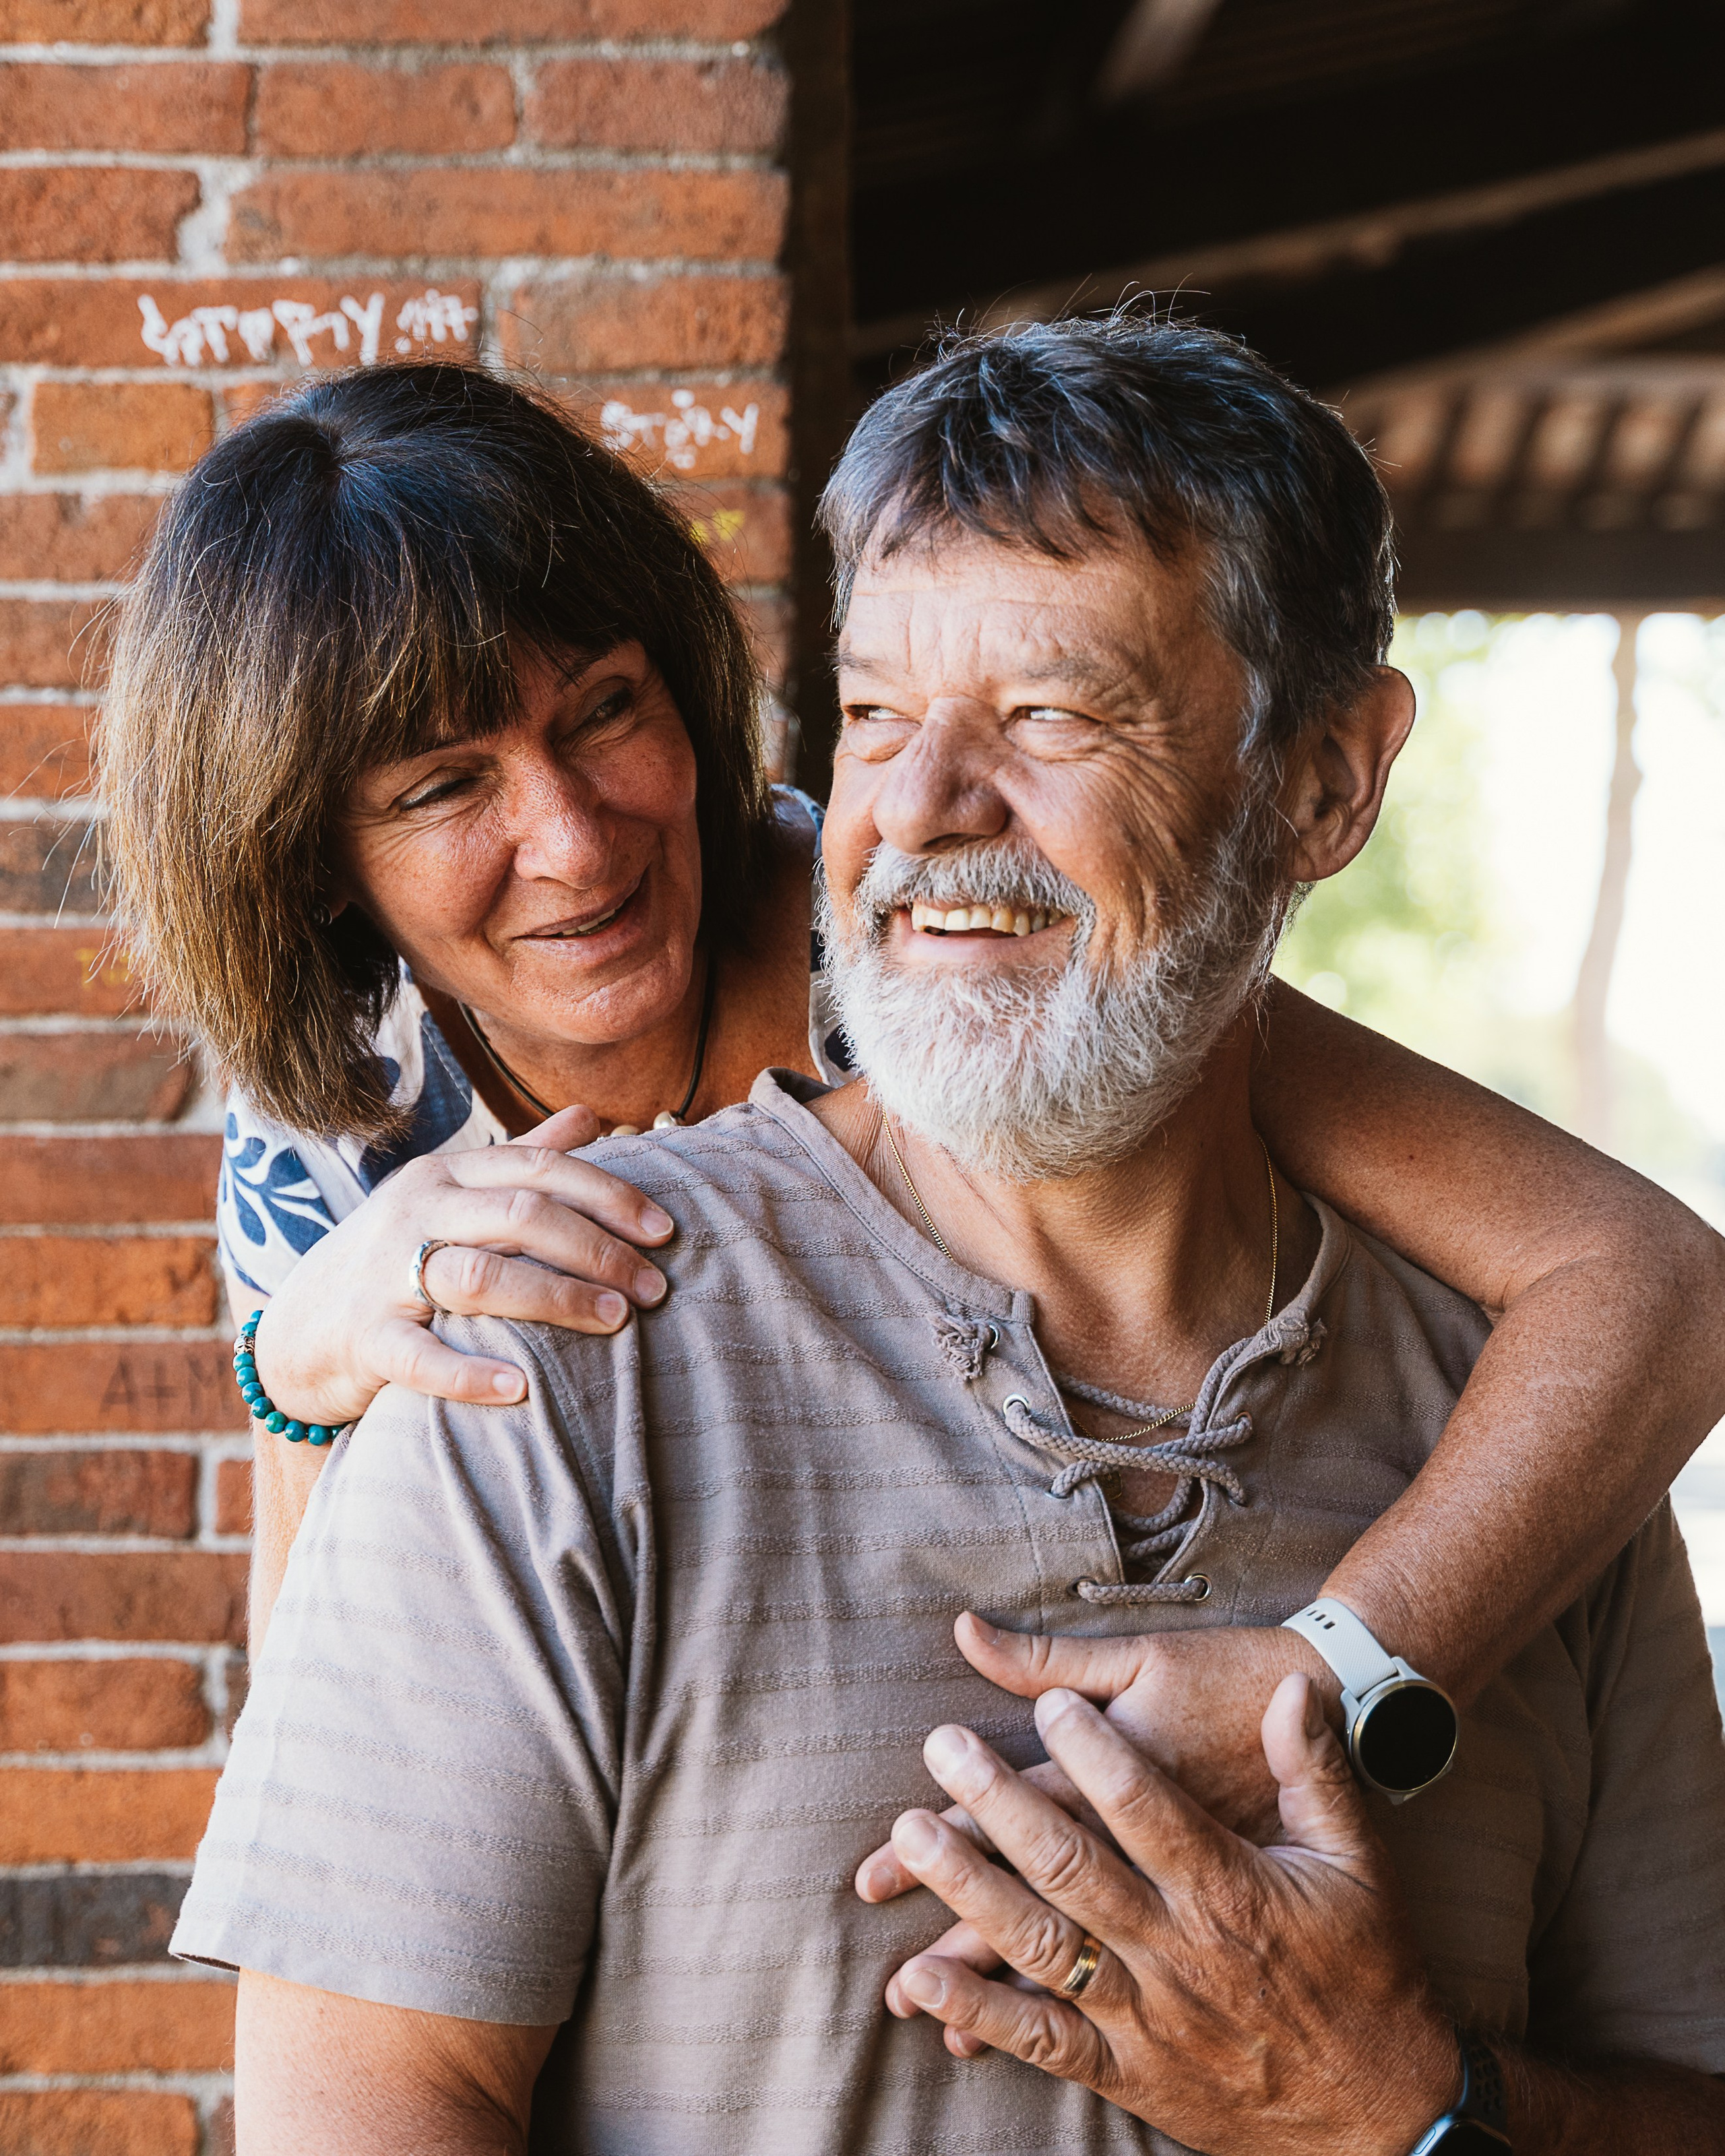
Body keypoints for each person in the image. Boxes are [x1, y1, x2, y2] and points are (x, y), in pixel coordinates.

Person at [172, 316, 1725, 2153]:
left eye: (606, 712)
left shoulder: (938, 930)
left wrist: (1412, 2061)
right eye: (441, 788)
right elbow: (344, 1861)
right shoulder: (395, 1208)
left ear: (1323, 784)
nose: (577, 843)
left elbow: (1644, 1272)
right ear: (317, 863)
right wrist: (299, 1363)